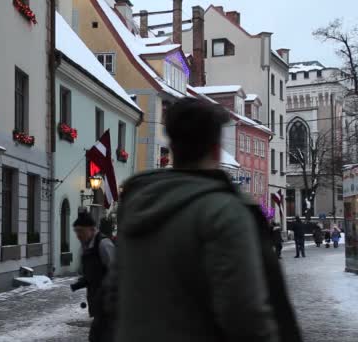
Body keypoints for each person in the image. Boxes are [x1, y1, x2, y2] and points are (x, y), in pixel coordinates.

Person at [115, 98, 302, 342]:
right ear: (216, 149)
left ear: (173, 148)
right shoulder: (224, 211)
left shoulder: (136, 204)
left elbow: (113, 295)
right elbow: (244, 314)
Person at [70, 210, 116, 342]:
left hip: (108, 303)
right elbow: (94, 273)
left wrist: (107, 294)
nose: (78, 235)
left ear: (91, 229)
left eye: (81, 231)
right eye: (76, 231)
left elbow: (116, 271)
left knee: (98, 337)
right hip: (98, 302)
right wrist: (81, 283)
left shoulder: (103, 244)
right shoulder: (86, 246)